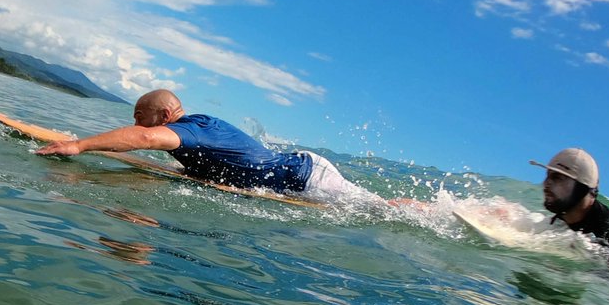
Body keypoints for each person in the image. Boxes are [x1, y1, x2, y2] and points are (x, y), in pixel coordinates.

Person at [35, 89, 376, 201]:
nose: (136, 124)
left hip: (304, 178)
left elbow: (144, 138)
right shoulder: (194, 130)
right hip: (299, 168)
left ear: (165, 114)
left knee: (379, 208)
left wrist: (79, 146)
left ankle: (428, 212)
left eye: (140, 116)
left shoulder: (189, 130)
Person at [531, 148, 609, 267]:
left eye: (558, 178)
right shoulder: (563, 216)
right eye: (548, 175)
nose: (546, 183)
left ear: (583, 189)